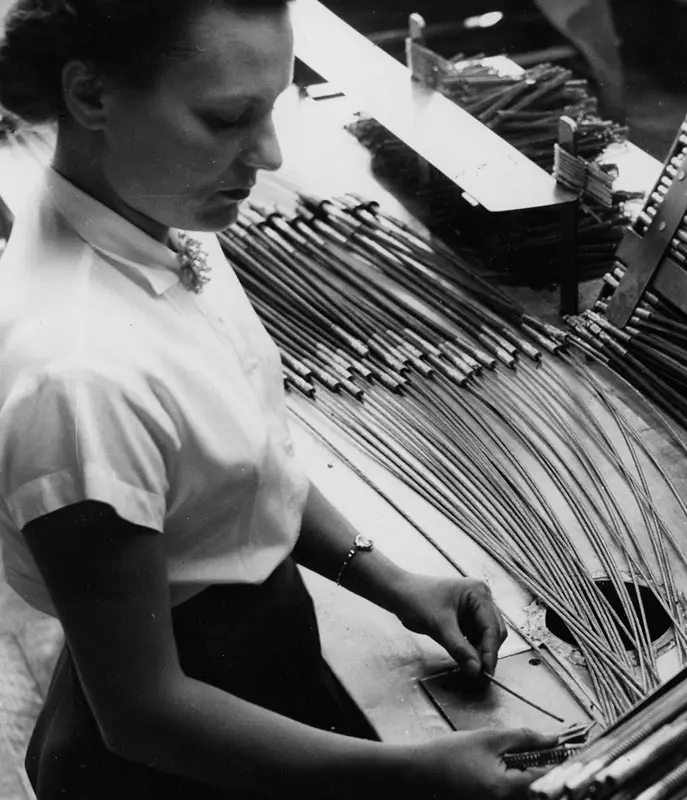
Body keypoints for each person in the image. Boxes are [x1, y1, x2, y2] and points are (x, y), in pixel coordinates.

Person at [0, 1, 556, 797]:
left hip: (250, 662)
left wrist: (392, 580)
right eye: (227, 118)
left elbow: (239, 462)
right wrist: (408, 773)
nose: (267, 152)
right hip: (174, 758)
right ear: (91, 98)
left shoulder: (162, 215)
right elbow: (144, 711)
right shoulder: (77, 378)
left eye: (271, 107)